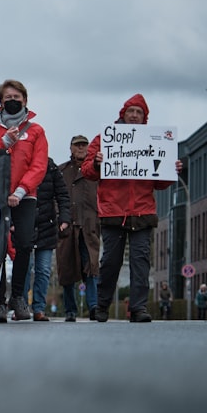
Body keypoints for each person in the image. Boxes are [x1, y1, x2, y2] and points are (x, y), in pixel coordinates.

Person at [82, 94, 181, 323]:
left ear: (144, 117)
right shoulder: (105, 138)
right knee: (110, 263)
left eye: (139, 112)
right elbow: (87, 171)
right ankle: (102, 306)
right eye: (131, 111)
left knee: (141, 262)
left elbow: (161, 183)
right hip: (113, 211)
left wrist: (170, 170)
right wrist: (97, 163)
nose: (134, 115)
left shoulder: (155, 140)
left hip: (143, 211)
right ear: (123, 114)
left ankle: (138, 308)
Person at [0, 80, 49, 323]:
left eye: (17, 96)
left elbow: (39, 165)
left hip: (24, 198)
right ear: (1, 102)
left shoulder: (36, 131)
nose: (12, 100)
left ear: (25, 100)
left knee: (24, 244)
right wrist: (2, 142)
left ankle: (18, 296)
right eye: (7, 97)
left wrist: (21, 191)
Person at [57, 135, 102, 321]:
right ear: (71, 148)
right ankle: (70, 310)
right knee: (67, 269)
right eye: (78, 145)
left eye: (84, 145)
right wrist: (59, 219)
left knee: (91, 268)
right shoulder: (61, 171)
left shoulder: (97, 170)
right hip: (66, 227)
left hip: (90, 226)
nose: (81, 148)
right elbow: (55, 196)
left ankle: (93, 306)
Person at [27, 158, 70, 321]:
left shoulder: (50, 166)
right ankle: (22, 305)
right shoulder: (21, 160)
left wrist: (64, 218)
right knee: (25, 267)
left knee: (43, 269)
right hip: (25, 223)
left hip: (47, 225)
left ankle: (39, 308)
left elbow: (62, 195)